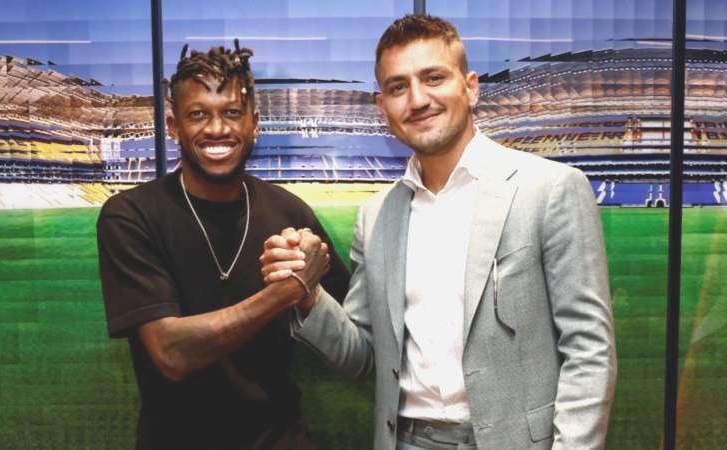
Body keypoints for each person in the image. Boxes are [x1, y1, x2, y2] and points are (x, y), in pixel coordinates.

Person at [260, 15, 617, 450]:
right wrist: (308, 294)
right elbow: (362, 356)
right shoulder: (376, 217)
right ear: (383, 107)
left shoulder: (550, 189)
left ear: (471, 87)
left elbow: (589, 350)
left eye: (433, 78)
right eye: (398, 87)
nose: (417, 99)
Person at [96, 40, 349, 450]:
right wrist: (285, 292)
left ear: (254, 123)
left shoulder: (289, 212)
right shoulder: (130, 216)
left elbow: (351, 328)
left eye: (232, 112)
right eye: (198, 114)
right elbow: (172, 353)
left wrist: (310, 293)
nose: (217, 129)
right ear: (174, 126)